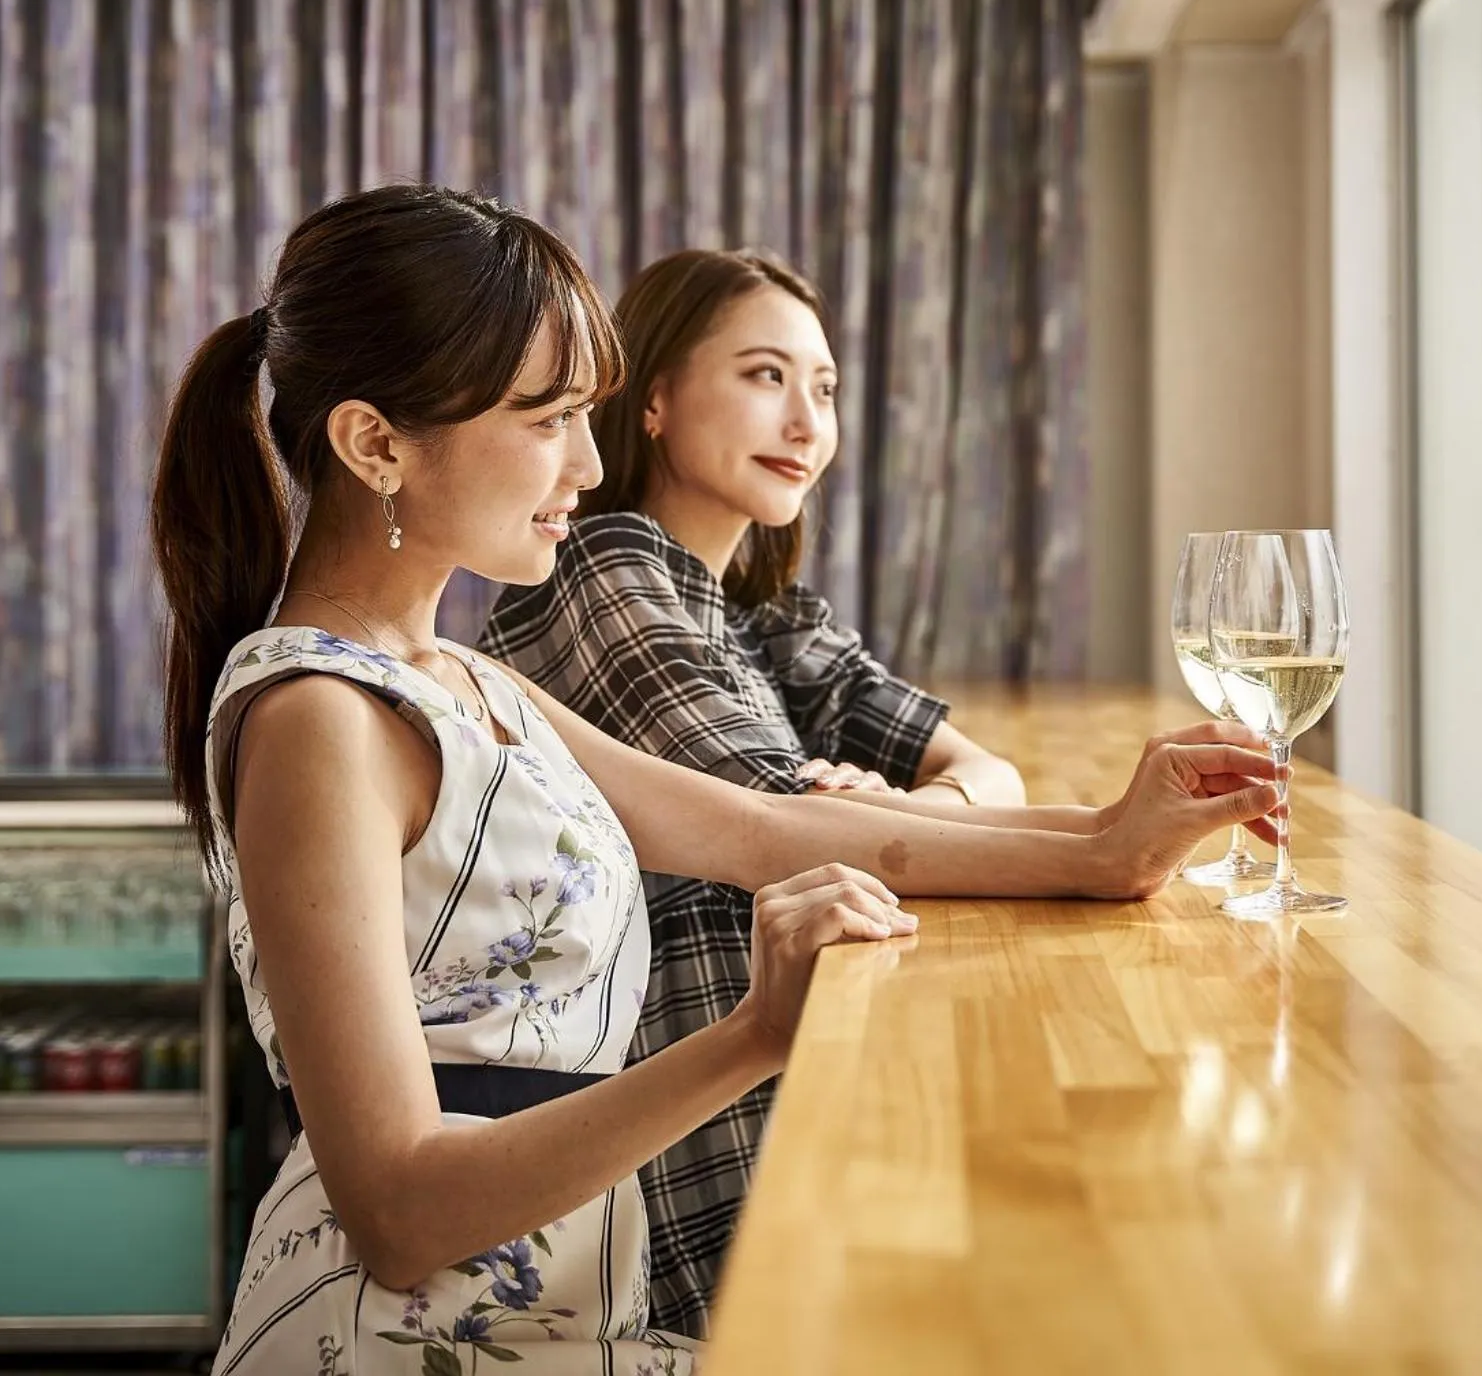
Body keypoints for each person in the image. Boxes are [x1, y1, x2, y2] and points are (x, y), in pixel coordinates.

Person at [153, 190, 1281, 1370]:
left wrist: (1106, 844)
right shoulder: (317, 719)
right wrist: (753, 1033)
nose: (590, 464)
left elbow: (756, 830)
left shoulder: (465, 682)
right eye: (546, 420)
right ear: (375, 444)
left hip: (572, 1305)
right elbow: (396, 1213)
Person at [478, 248, 1288, 1338]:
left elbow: (982, 773)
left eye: (823, 390)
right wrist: (1102, 846)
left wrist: (926, 812)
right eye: (765, 376)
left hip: (803, 1076)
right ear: (655, 399)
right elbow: (768, 824)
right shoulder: (604, 574)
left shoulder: (767, 622)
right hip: (708, 1145)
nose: (807, 424)